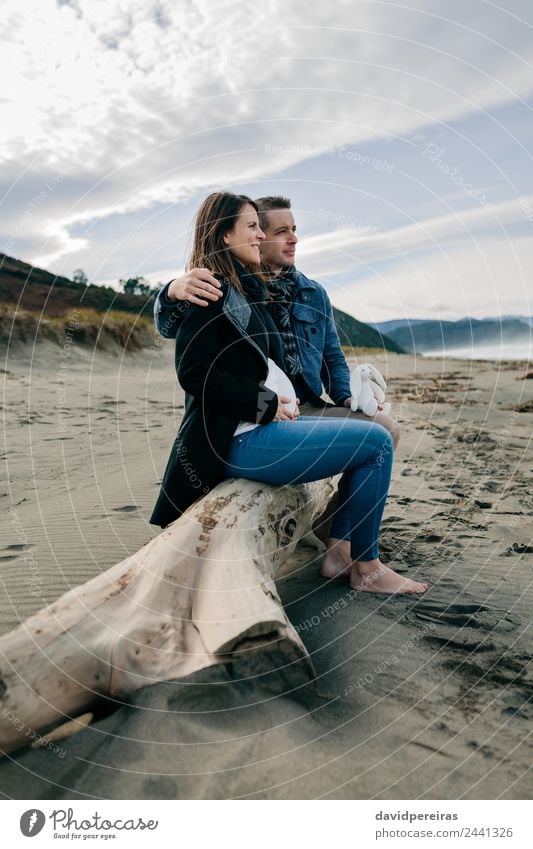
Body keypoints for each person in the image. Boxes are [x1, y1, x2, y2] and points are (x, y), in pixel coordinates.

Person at [150, 191, 427, 595]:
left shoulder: (260, 290)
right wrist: (172, 288)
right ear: (226, 235)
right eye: (259, 228)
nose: (266, 237)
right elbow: (193, 371)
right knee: (377, 443)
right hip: (244, 432)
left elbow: (329, 356)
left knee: (381, 431)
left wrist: (349, 395)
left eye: (281, 230)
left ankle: (345, 546)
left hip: (289, 415)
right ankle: (364, 565)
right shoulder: (209, 289)